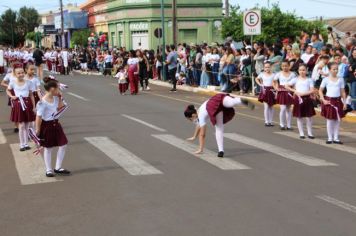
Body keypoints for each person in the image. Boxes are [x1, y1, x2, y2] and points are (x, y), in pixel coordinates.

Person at [184, 94, 254, 157]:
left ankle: (221, 151)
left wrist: (200, 149)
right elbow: (198, 125)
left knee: (219, 129)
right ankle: (239, 100)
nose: (192, 121)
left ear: (193, 115)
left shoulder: (200, 116)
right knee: (231, 102)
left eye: (190, 119)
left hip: (214, 108)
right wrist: (194, 136)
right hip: (217, 99)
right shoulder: (199, 110)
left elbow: (202, 135)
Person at [36, 77, 70, 177]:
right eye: (58, 88)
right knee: (48, 148)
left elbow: (60, 107)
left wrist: (60, 97)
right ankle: (48, 169)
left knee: (63, 144)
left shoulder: (55, 98)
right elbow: (38, 117)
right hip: (47, 126)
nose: (59, 90)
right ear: (52, 89)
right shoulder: (42, 102)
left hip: (56, 124)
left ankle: (58, 167)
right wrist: (37, 129)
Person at [6, 63, 36, 151]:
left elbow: (31, 95)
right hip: (18, 104)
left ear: (24, 72)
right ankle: (21, 144)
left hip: (28, 104)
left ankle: (26, 143)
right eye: (19, 73)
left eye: (22, 72)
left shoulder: (29, 82)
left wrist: (34, 107)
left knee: (27, 125)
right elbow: (8, 90)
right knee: (21, 125)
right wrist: (12, 96)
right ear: (15, 74)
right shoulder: (13, 82)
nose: (21, 74)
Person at [286, 64, 316, 139]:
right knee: (299, 117)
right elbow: (286, 86)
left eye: (303, 70)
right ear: (298, 71)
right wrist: (295, 91)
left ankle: (310, 133)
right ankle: (301, 133)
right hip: (298, 99)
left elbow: (312, 90)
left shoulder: (309, 79)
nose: (302, 72)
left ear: (306, 70)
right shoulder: (295, 79)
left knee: (309, 117)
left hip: (307, 99)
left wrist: (304, 93)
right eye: (300, 70)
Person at [319, 63, 346, 144]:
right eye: (334, 69)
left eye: (337, 69)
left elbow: (343, 92)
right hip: (329, 101)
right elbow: (320, 90)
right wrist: (323, 99)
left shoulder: (341, 79)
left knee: (337, 120)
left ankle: (336, 138)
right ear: (329, 70)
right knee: (330, 120)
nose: (335, 70)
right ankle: (330, 138)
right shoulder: (326, 79)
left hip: (337, 101)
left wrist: (344, 103)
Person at [273, 60, 296, 130]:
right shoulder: (279, 74)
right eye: (283, 66)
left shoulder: (293, 74)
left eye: (286, 66)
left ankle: (288, 125)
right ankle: (282, 124)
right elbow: (274, 81)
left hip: (289, 91)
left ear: (289, 66)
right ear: (281, 66)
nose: (284, 67)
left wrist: (294, 92)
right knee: (282, 109)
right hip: (282, 91)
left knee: (288, 109)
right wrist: (276, 88)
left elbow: (295, 84)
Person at [255, 62, 276, 126]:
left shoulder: (274, 74)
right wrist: (260, 84)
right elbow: (256, 79)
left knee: (271, 107)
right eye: (266, 67)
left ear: (271, 67)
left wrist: (276, 89)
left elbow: (276, 82)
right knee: (266, 107)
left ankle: (271, 121)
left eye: (268, 67)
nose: (267, 68)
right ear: (264, 68)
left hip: (272, 90)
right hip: (265, 91)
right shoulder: (262, 74)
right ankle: (266, 121)